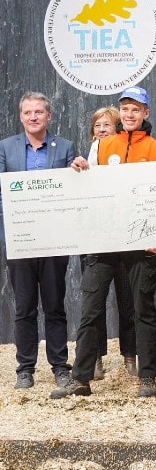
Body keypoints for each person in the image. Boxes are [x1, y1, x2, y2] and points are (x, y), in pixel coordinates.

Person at [51, 86, 156, 399]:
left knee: (143, 310)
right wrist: (78, 170)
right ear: (121, 113)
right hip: (103, 241)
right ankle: (81, 378)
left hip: (140, 244)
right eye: (126, 108)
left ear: (145, 113)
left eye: (136, 109)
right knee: (90, 310)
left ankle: (148, 377)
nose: (130, 114)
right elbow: (89, 186)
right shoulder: (102, 147)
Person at [0, 92, 75, 390]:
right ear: (21, 117)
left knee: (55, 305)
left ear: (49, 116)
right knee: (24, 306)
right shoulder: (6, 148)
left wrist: (79, 170)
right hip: (20, 239)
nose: (33, 117)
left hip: (55, 239)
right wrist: (17, 221)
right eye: (28, 112)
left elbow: (72, 189)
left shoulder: (66, 147)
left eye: (39, 112)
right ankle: (25, 368)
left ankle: (60, 366)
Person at [85, 107, 137, 380]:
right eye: (98, 125)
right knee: (94, 304)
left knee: (127, 300)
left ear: (118, 129)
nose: (102, 129)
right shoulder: (82, 160)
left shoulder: (127, 155)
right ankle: (94, 359)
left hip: (126, 236)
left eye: (108, 125)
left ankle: (130, 356)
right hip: (96, 237)